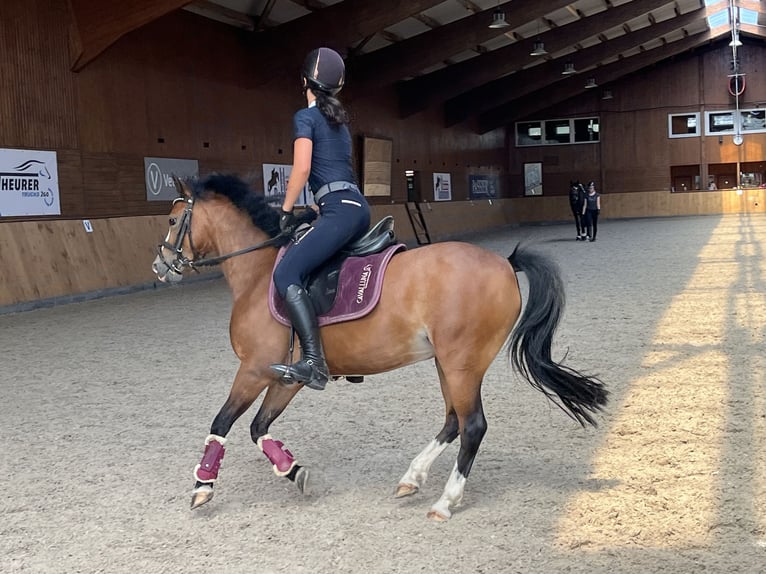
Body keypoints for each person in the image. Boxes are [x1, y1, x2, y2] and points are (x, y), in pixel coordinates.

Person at [270, 47, 371, 391]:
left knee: (287, 272)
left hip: (339, 210)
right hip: (355, 207)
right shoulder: (339, 124)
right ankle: (347, 347)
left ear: (304, 82)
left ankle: (313, 361)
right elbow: (339, 175)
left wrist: (285, 211)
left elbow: (302, 168)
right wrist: (314, 210)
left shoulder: (306, 117)